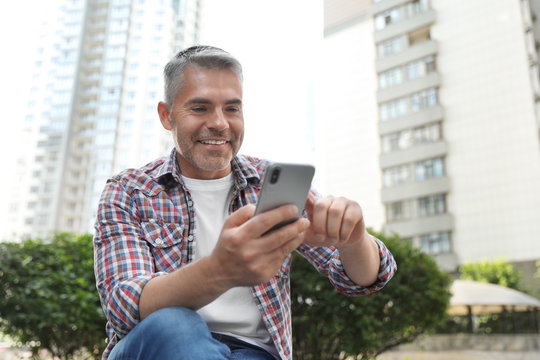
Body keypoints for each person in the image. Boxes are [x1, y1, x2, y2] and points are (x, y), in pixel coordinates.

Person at [94, 45, 397, 360]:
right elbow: (124, 305)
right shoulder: (130, 191)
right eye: (200, 108)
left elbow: (364, 279)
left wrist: (353, 239)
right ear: (166, 115)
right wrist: (220, 270)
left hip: (252, 352)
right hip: (155, 346)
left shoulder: (269, 181)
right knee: (173, 324)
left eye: (232, 109)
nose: (220, 123)